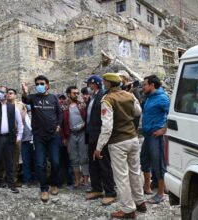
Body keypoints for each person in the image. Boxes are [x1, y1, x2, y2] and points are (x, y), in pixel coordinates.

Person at [94, 73, 146, 218]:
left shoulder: (107, 99)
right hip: (133, 139)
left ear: (109, 84)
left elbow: (107, 127)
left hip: (118, 142)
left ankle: (128, 209)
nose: (104, 84)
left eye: (104, 81)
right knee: (135, 172)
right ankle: (140, 201)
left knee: (121, 177)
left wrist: (99, 147)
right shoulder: (129, 95)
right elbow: (138, 112)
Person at [21, 75, 62, 202]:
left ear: (47, 85)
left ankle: (54, 184)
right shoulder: (33, 98)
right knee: (40, 164)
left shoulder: (53, 98)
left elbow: (59, 113)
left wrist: (59, 125)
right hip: (39, 136)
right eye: (37, 83)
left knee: (55, 161)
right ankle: (44, 189)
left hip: (53, 136)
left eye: (42, 83)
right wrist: (24, 91)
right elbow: (25, 100)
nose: (39, 85)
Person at [84, 75, 117, 205]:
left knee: (104, 164)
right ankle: (97, 189)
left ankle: (110, 192)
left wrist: (102, 140)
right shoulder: (93, 98)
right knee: (93, 164)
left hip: (100, 137)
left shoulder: (103, 97)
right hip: (91, 136)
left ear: (95, 84)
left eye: (89, 84)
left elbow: (105, 120)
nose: (88, 87)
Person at [0, 86, 23, 195]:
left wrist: (19, 136)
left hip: (9, 138)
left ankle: (11, 185)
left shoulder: (12, 107)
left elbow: (20, 122)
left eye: (2, 92)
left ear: (7, 94)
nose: (0, 94)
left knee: (10, 163)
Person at [140, 75, 170, 204]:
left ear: (152, 85)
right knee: (144, 160)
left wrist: (163, 130)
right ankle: (147, 187)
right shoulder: (149, 97)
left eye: (145, 85)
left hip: (156, 136)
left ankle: (161, 193)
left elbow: (171, 115)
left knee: (158, 164)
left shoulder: (162, 98)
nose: (143, 87)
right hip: (147, 135)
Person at [61, 86, 89, 189]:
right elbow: (62, 123)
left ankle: (86, 182)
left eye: (77, 93)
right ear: (68, 94)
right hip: (71, 135)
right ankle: (77, 182)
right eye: (74, 93)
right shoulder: (63, 107)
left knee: (84, 158)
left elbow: (87, 118)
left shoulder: (82, 105)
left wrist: (84, 125)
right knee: (74, 159)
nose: (76, 95)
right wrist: (64, 137)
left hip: (82, 133)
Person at [7, 88, 27, 187]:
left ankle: (14, 178)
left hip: (16, 133)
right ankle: (4, 178)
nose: (8, 95)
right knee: (5, 156)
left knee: (16, 157)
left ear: (15, 95)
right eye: (8, 93)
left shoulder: (20, 105)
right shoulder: (3, 104)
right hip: (5, 134)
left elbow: (23, 118)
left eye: (10, 93)